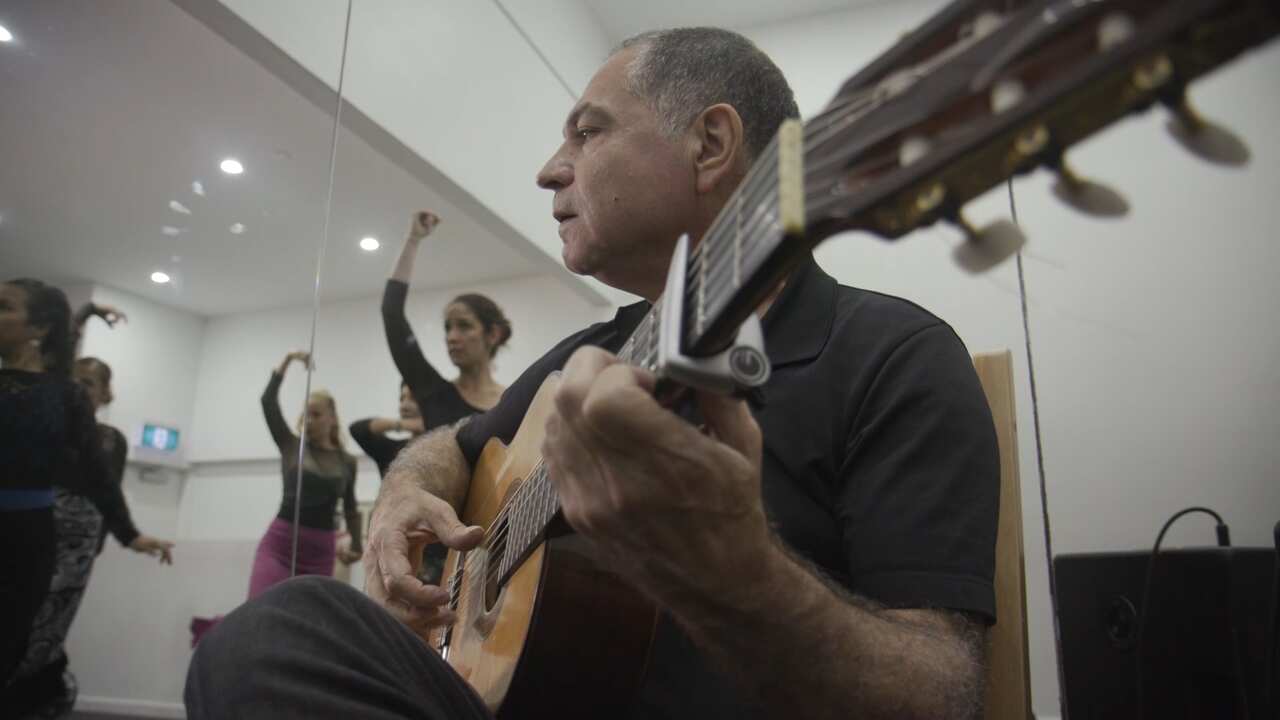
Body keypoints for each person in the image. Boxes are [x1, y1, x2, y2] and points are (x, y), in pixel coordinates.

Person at [186, 27, 999, 720]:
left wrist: (741, 571)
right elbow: (455, 441)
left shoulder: (894, 355)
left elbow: (947, 691)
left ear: (710, 144)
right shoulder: (598, 349)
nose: (550, 169)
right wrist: (406, 491)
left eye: (588, 132)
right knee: (269, 636)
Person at [0, 280, 123, 709]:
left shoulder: (108, 437)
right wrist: (87, 312)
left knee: (40, 628)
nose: (84, 388)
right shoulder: (49, 406)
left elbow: (106, 486)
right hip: (37, 523)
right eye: (80, 381)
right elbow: (62, 350)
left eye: (93, 384)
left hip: (73, 543)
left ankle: (30, 695)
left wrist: (104, 542)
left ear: (106, 394)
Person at [189, 351, 363, 645]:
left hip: (320, 550)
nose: (309, 419)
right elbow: (267, 403)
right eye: (306, 412)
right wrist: (288, 361)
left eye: (317, 413)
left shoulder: (346, 461)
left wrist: (357, 545)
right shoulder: (290, 445)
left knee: (307, 626)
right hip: (280, 543)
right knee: (259, 613)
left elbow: (350, 507)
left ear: (333, 418)